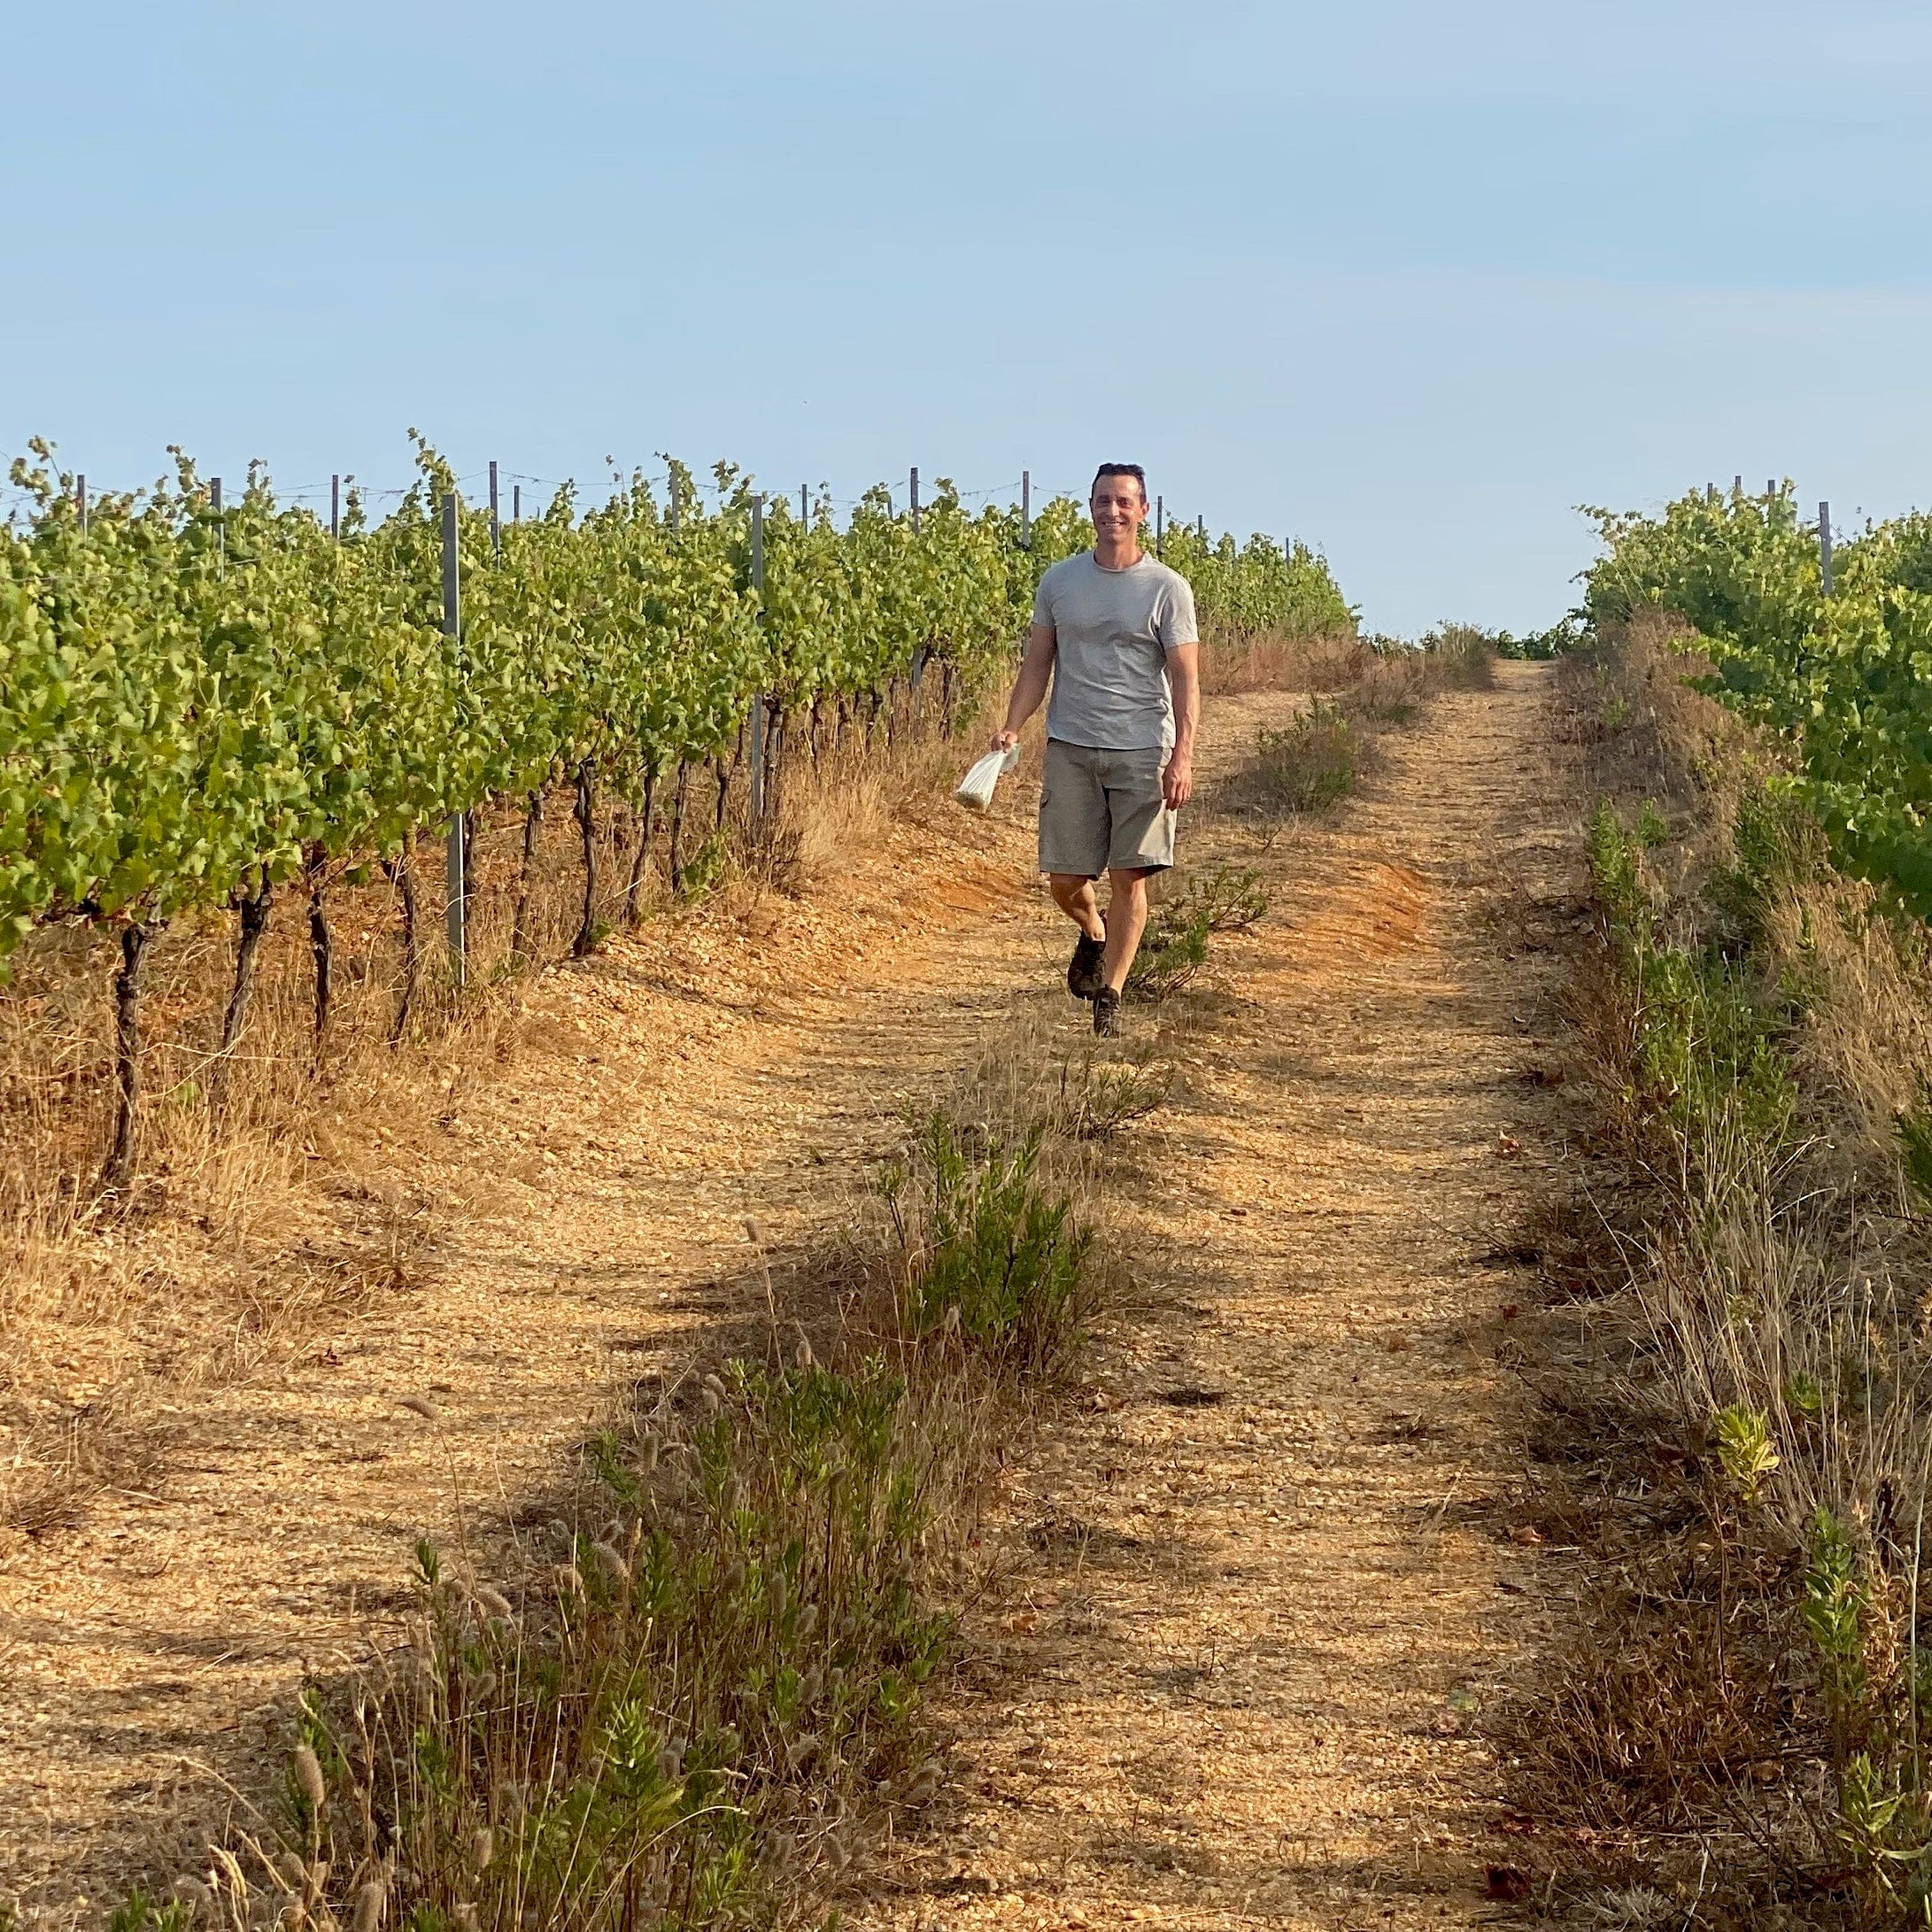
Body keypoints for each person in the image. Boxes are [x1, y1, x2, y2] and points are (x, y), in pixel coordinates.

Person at [991, 463, 1200, 1037]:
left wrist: (1182, 755)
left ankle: (1110, 995)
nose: (1113, 511)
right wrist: (1013, 725)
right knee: (1064, 876)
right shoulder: (1060, 582)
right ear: (1091, 507)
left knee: (1129, 874)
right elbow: (1038, 663)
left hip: (1142, 750)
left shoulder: (1166, 588)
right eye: (1104, 501)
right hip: (1072, 744)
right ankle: (1095, 932)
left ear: (1144, 510)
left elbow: (1185, 678)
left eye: (1124, 502)